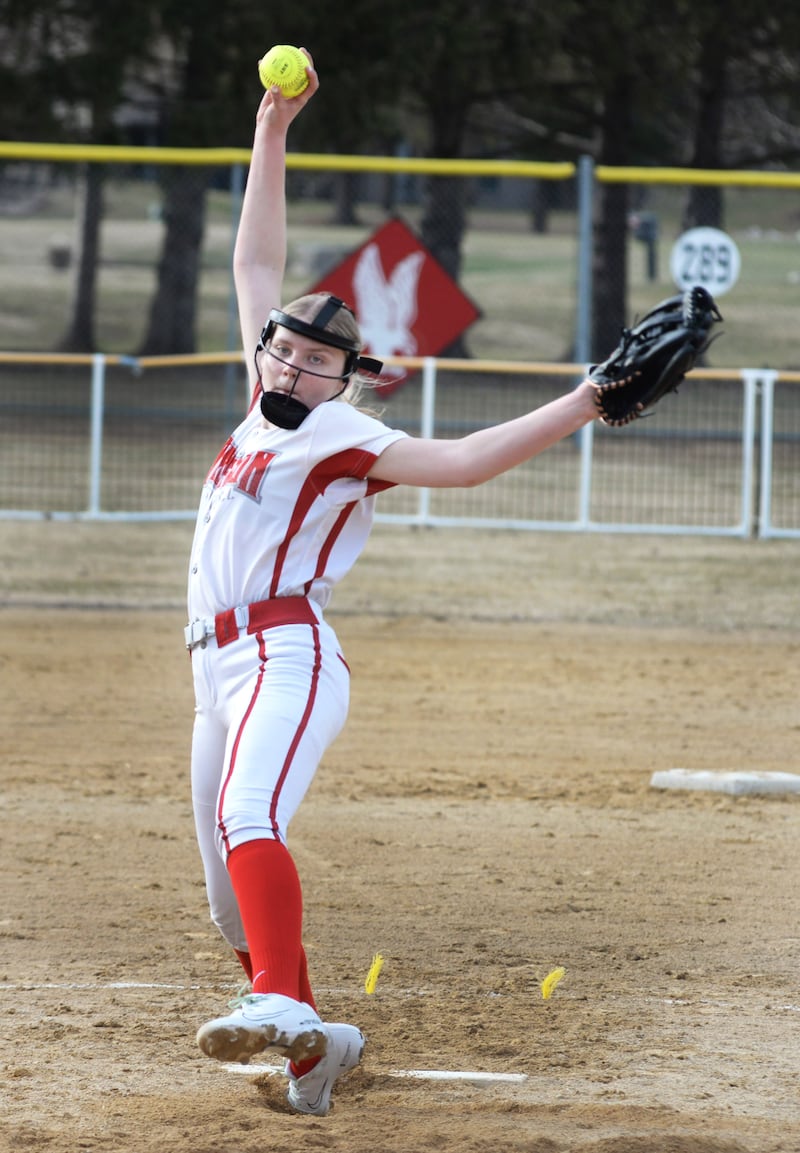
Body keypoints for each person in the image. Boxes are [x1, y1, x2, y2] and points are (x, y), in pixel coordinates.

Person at [188, 47, 602, 1117]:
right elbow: (251, 264)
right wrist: (271, 133)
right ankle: (310, 1049)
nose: (289, 367)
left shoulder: (341, 435)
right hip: (214, 666)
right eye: (282, 351)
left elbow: (462, 463)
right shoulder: (261, 398)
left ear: (345, 377)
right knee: (224, 895)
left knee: (248, 814)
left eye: (314, 363)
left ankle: (280, 1005)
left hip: (286, 649)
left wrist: (587, 400)